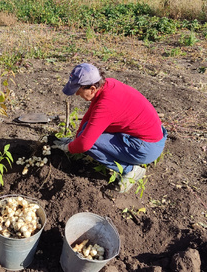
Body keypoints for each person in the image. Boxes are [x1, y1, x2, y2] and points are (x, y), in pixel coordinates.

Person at [52, 63, 167, 193]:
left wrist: (69, 147)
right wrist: (77, 137)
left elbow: (84, 144)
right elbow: (90, 115)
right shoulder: (108, 85)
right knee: (85, 133)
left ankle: (131, 170)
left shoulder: (106, 105)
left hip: (147, 147)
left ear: (93, 88)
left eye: (79, 91)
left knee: (90, 143)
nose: (78, 95)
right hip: (150, 135)